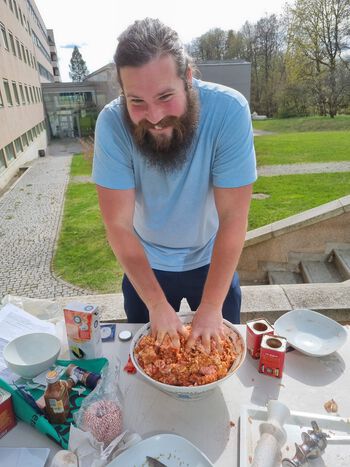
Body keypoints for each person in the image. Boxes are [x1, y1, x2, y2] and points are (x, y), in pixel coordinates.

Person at [92, 18, 257, 352]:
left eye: (165, 96)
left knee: (222, 357)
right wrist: (155, 303)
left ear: (189, 79)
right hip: (145, 263)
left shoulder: (229, 111)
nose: (153, 116)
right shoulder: (111, 123)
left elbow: (233, 217)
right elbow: (118, 225)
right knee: (146, 364)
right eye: (136, 101)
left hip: (212, 257)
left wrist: (211, 307)